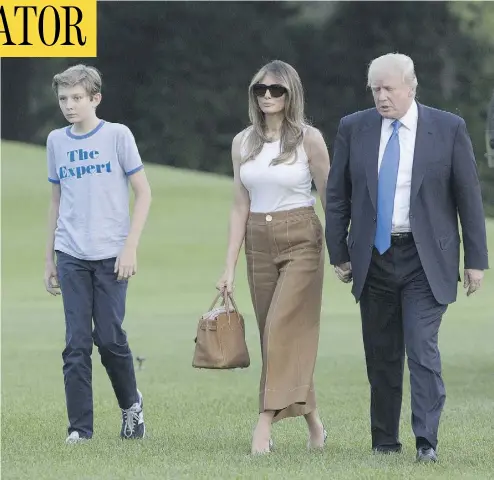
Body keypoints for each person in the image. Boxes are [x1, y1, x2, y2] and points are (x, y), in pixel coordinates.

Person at [325, 53, 489, 462]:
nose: (382, 97)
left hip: (425, 259)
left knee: (421, 348)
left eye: (389, 89)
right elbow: (337, 196)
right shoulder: (354, 127)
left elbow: (468, 196)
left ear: (411, 87)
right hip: (374, 258)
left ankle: (426, 442)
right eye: (375, 89)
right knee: (381, 355)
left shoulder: (448, 128)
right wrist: (339, 251)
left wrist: (476, 259)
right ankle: (384, 441)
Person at [216, 60, 330, 455]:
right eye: (260, 89)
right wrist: (227, 266)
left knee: (282, 328)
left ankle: (263, 424)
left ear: (290, 94)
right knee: (273, 336)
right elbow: (238, 206)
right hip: (257, 241)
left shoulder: (309, 139)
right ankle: (313, 421)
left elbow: (330, 198)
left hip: (301, 237)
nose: (267, 95)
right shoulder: (243, 142)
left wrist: (342, 254)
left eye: (276, 90)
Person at [43, 64, 152, 444]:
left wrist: (130, 246)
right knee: (76, 343)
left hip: (111, 256)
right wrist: (49, 259)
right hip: (71, 253)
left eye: (76, 98)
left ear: (95, 98)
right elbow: (56, 201)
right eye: (63, 99)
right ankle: (80, 430)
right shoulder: (56, 141)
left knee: (108, 338)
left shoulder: (118, 136)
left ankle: (131, 405)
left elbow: (144, 193)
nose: (69, 106)